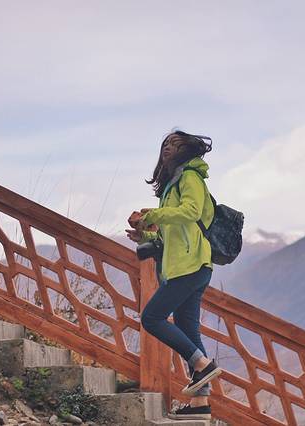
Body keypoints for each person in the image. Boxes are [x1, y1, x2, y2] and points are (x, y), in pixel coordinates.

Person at [125, 130, 222, 421]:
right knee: (187, 328)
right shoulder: (172, 185)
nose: (169, 146)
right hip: (186, 265)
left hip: (191, 264)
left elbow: (190, 212)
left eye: (175, 143)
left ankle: (203, 365)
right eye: (165, 143)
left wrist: (153, 216)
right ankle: (200, 404)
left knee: (152, 317)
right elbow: (173, 233)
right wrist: (146, 236)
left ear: (187, 148)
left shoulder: (190, 176)